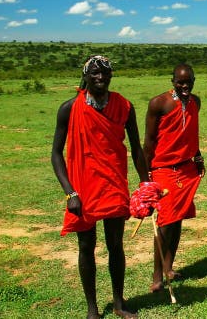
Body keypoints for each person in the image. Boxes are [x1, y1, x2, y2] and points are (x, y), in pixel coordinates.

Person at [51, 55, 149, 319]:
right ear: (85, 75)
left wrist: (146, 184)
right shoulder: (69, 109)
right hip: (82, 188)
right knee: (86, 246)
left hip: (114, 184)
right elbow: (56, 154)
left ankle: (118, 303)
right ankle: (92, 309)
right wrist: (70, 192)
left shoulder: (124, 106)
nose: (100, 77)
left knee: (116, 244)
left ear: (111, 76)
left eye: (105, 73)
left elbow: (137, 147)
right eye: (94, 72)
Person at [143, 63, 204, 292]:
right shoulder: (159, 103)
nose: (185, 86)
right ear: (172, 81)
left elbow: (191, 133)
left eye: (189, 81)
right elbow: (148, 142)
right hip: (163, 168)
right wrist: (146, 177)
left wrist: (197, 156)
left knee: (177, 220)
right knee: (166, 222)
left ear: (194, 80)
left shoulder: (196, 102)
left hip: (187, 169)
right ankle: (157, 276)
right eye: (180, 82)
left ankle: (169, 267)